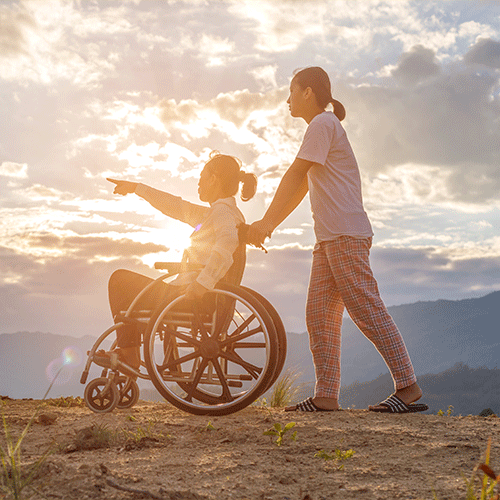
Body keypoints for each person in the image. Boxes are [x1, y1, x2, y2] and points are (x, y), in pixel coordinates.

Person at [248, 67, 427, 414]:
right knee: (318, 315)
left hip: (345, 234)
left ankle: (408, 387)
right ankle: (326, 395)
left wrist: (265, 222)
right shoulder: (323, 128)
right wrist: (269, 225)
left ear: (308, 93)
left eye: (291, 91)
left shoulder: (322, 124)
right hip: (330, 238)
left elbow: (295, 174)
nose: (286, 100)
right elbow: (301, 185)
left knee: (365, 309)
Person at [95, 152, 257, 374]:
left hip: (193, 298)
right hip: (202, 297)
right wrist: (136, 188)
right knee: (139, 290)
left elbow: (226, 244)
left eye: (202, 176)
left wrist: (203, 282)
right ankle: (137, 353)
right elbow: (175, 206)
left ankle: (129, 353)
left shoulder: (221, 212)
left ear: (214, 178)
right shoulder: (222, 212)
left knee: (120, 281)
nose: (198, 183)